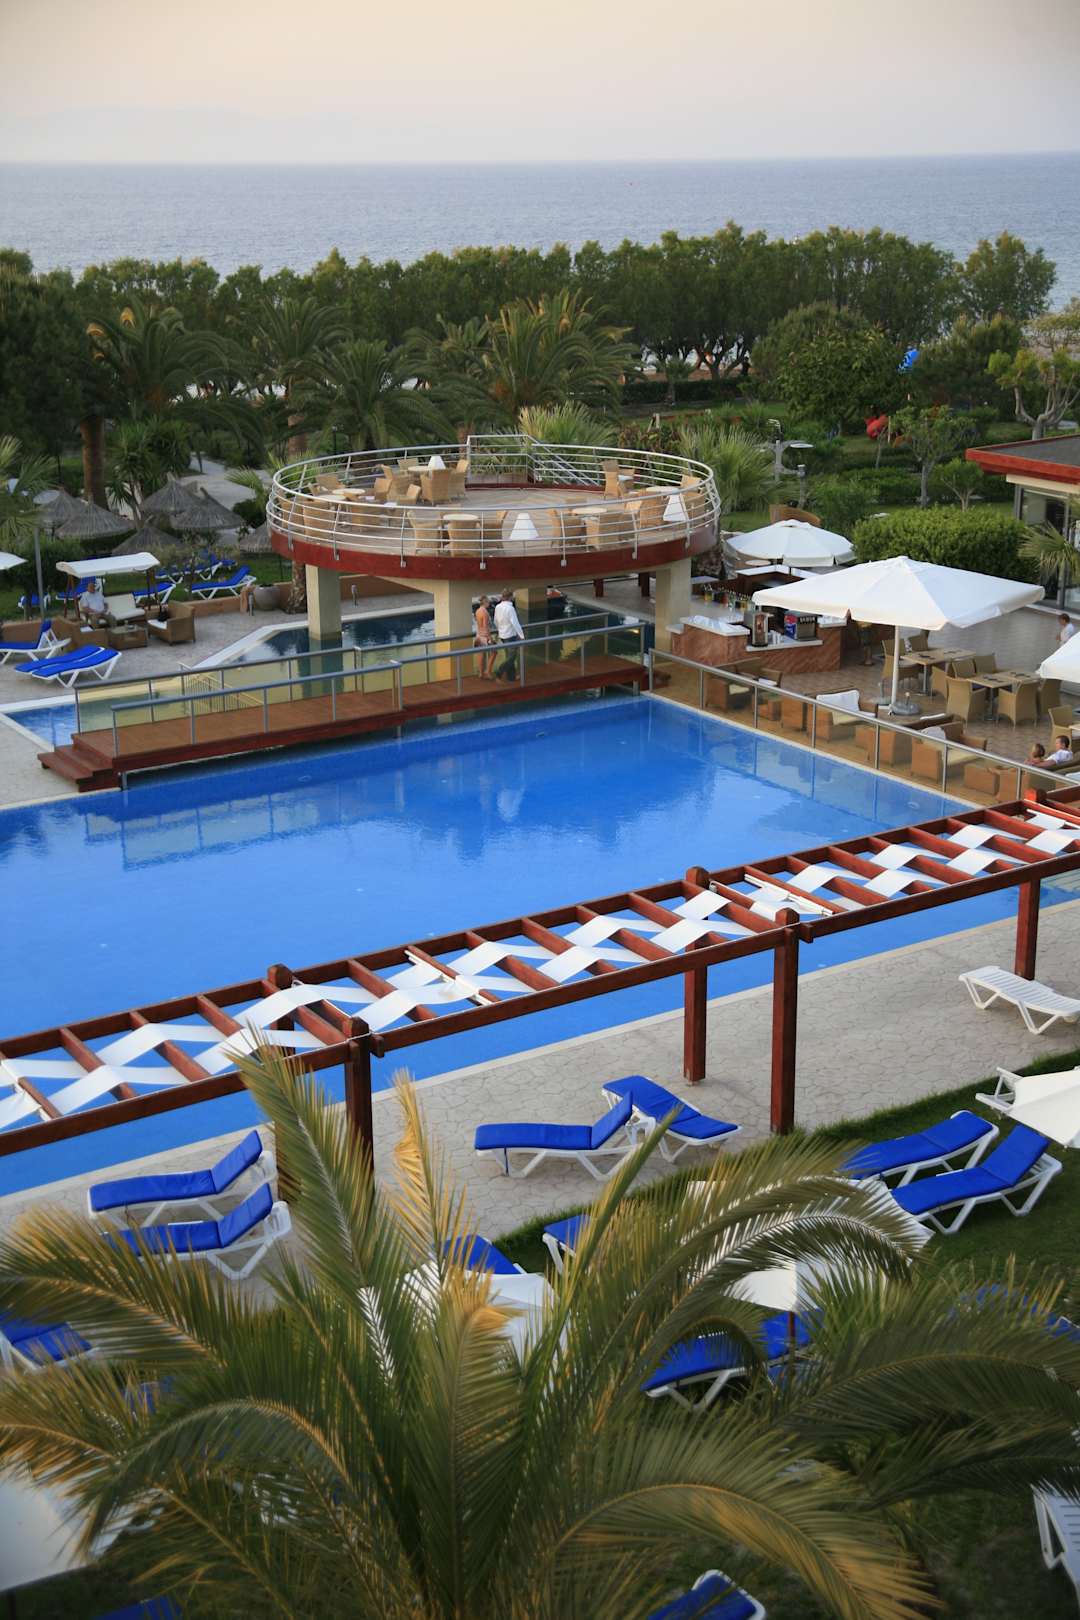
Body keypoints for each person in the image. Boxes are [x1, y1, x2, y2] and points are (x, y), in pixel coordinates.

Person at [493, 588, 524, 682]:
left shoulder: (498, 607)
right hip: (510, 635)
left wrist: (499, 630)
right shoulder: (510, 608)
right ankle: (499, 671)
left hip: (502, 635)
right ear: (510, 597)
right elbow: (515, 623)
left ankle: (511, 677)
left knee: (509, 656)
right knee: (512, 657)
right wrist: (522, 636)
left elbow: (495, 621)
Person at [473, 594, 495, 679]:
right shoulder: (485, 612)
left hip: (478, 635)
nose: (489, 603)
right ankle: (488, 671)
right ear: (485, 602)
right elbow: (485, 627)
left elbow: (480, 625)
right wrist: (490, 638)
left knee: (481, 654)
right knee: (494, 652)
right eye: (488, 602)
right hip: (484, 636)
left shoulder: (477, 611)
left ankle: (481, 673)